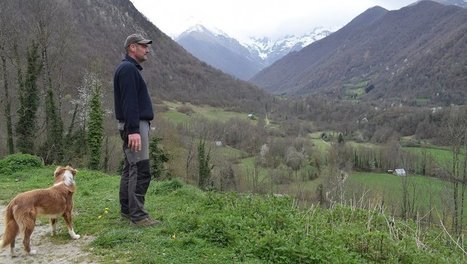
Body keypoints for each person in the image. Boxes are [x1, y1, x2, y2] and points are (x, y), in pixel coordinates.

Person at [113, 33, 159, 227]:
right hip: (135, 125)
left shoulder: (127, 69)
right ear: (132, 47)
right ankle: (138, 216)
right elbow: (129, 102)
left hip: (134, 125)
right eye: (143, 46)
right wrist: (133, 130)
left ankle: (127, 210)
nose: (147, 49)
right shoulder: (128, 70)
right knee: (140, 169)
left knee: (130, 168)